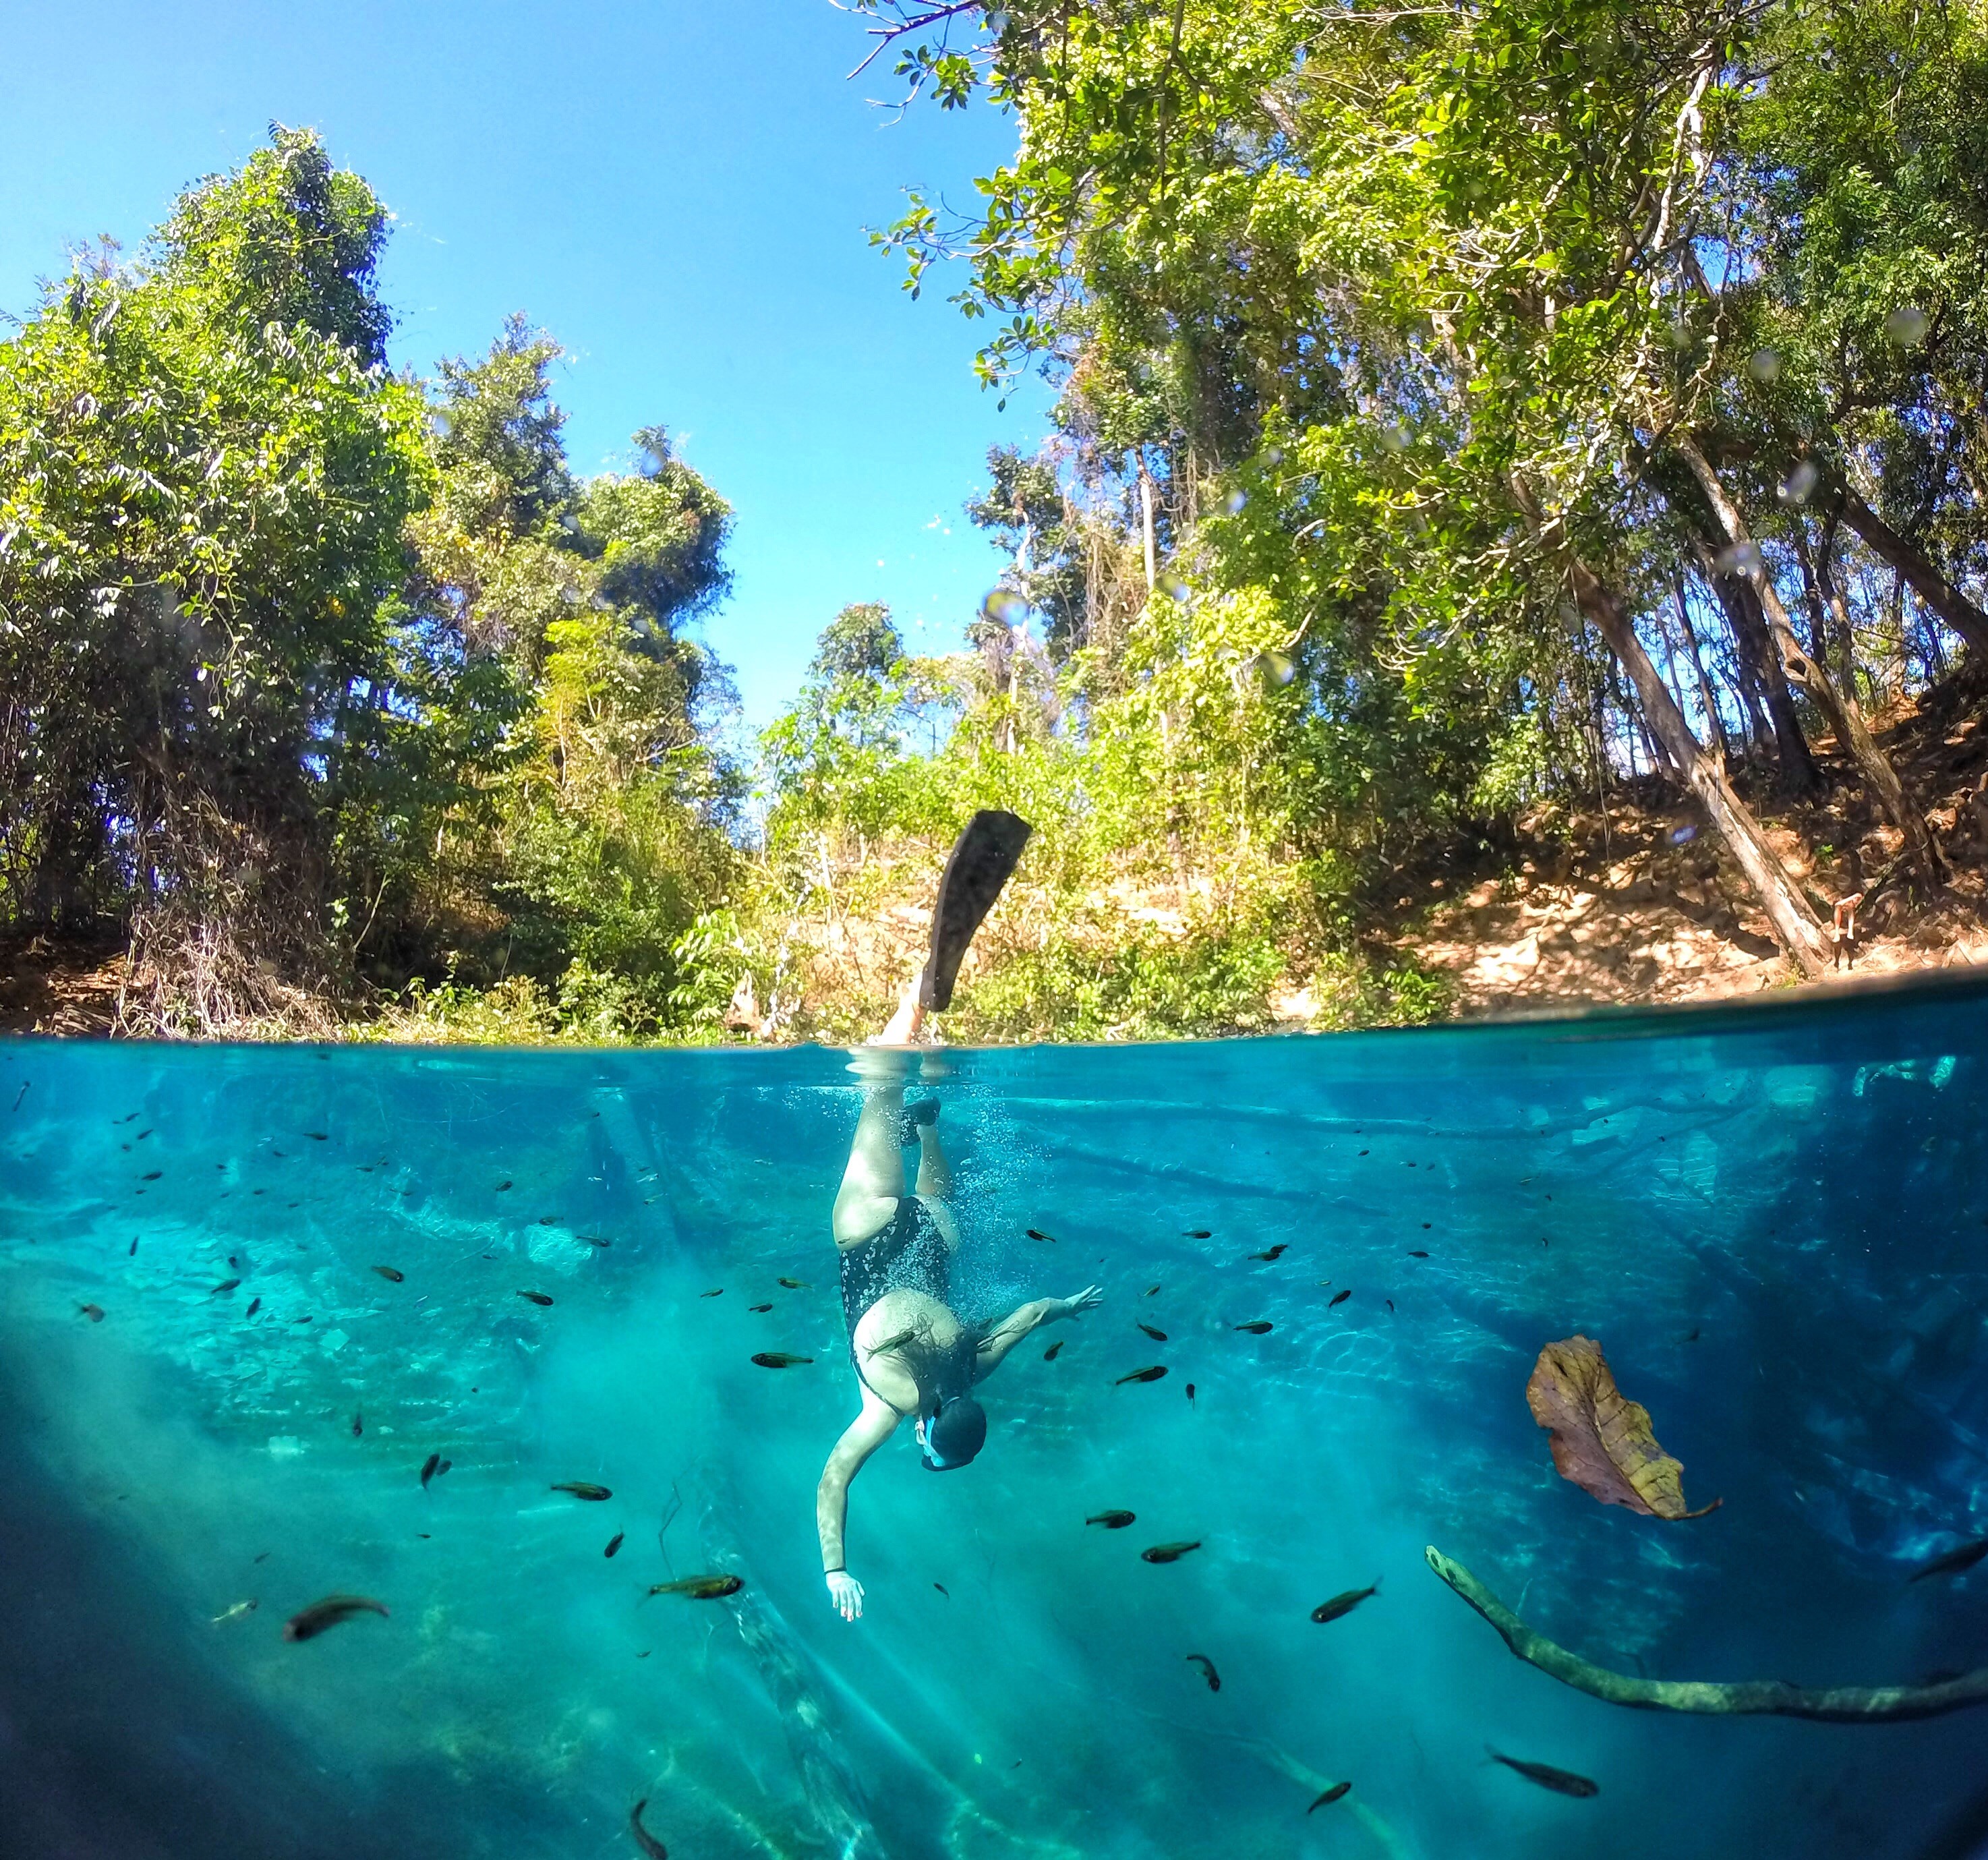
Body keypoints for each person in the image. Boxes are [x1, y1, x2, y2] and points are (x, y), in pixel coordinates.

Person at [816, 981, 1101, 1621]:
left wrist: (1069, 1305)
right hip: (864, 1233)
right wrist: (836, 1570)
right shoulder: (886, 1410)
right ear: (924, 1430)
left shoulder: (976, 1366)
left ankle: (926, 1128)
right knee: (879, 1088)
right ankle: (914, 1005)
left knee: (935, 1209)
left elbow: (1030, 1315)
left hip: (932, 1237)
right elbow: (834, 1480)